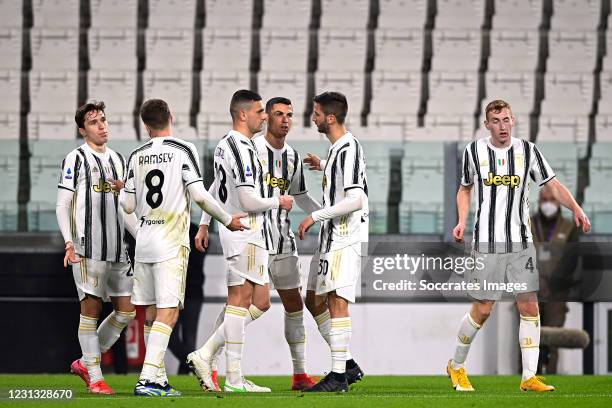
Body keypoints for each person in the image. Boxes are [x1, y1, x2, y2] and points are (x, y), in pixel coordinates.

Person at [447, 99, 590, 392]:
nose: (503, 126)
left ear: (514, 121)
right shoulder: (474, 151)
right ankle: (456, 366)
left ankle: (528, 377)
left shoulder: (528, 150)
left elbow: (552, 184)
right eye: (496, 121)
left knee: (529, 305)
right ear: (487, 124)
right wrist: (462, 220)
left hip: (521, 242)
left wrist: (576, 208)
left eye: (507, 120)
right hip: (487, 240)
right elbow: (465, 188)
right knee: (484, 309)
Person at [119, 99, 245, 397]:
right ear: (170, 118)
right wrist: (227, 219)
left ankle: (158, 378)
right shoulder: (182, 149)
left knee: (151, 314)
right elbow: (200, 195)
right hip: (171, 242)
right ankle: (148, 378)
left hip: (144, 241)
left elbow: (126, 205)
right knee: (169, 312)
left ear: (145, 126)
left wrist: (137, 220)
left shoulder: (135, 156)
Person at [197, 97, 321, 390]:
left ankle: (300, 374)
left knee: (293, 303)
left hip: (282, 240)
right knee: (245, 301)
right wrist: (204, 222)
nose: (283, 120)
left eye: (289, 115)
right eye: (277, 114)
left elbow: (300, 195)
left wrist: (320, 215)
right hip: (255, 234)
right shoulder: (250, 148)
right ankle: (211, 359)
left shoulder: (292, 156)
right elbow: (218, 184)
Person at [57, 101, 138, 395]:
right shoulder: (75, 159)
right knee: (90, 309)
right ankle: (94, 376)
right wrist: (69, 241)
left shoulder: (118, 159)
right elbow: (62, 204)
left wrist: (141, 236)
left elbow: (125, 208)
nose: (102, 126)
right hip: (86, 247)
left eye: (103, 120)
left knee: (126, 311)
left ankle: (86, 361)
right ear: (83, 129)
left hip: (118, 249)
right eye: (94, 122)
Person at [298, 91, 369, 392]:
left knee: (337, 301)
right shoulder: (339, 151)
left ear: (329, 118)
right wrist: (325, 163)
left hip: (344, 236)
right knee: (313, 298)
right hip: (331, 237)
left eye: (315, 113)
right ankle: (349, 364)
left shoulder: (349, 148)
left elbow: (357, 198)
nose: (312, 117)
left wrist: (316, 216)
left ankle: (338, 375)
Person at [531, 184, 579, 374]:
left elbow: (572, 259)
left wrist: (552, 284)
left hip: (557, 293)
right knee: (529, 337)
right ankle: (528, 376)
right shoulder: (527, 223)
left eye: (552, 200)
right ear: (539, 202)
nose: (548, 203)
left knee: (554, 337)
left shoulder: (568, 227)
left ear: (558, 203)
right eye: (544, 200)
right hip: (530, 290)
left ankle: (551, 376)